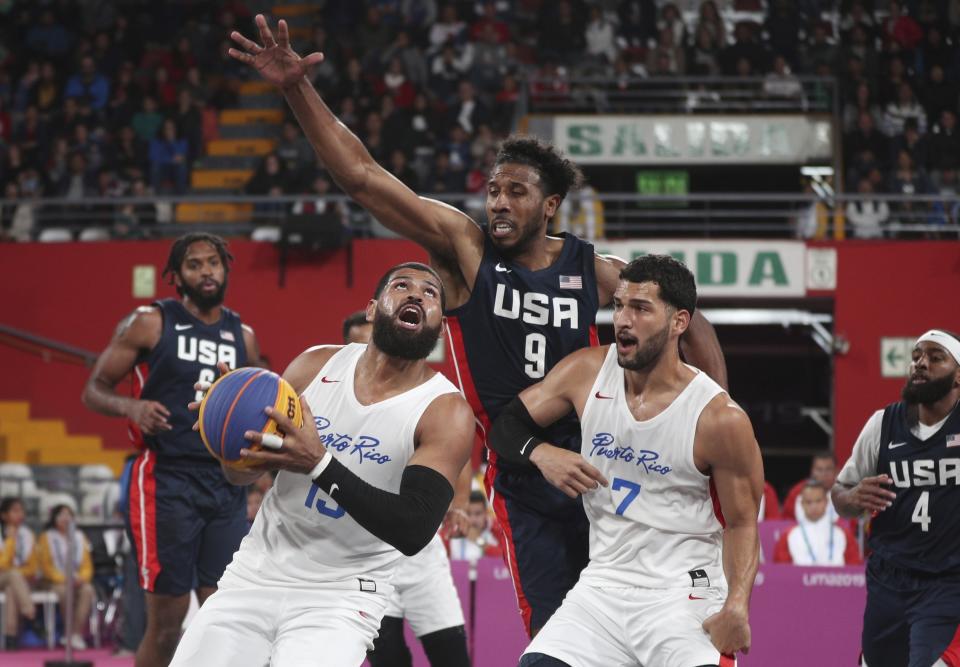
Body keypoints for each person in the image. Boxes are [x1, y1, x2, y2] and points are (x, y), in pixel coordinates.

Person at [229, 15, 727, 636]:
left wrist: (714, 404)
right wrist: (296, 89)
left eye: (516, 192)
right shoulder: (468, 251)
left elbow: (691, 322)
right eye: (493, 189)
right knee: (555, 635)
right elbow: (363, 178)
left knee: (642, 626)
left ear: (549, 205)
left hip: (606, 466)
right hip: (521, 472)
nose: (497, 202)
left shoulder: (593, 267)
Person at [169, 262, 474, 666]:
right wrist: (227, 431)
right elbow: (240, 474)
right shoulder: (315, 365)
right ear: (372, 309)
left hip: (342, 594)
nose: (416, 294)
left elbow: (414, 529)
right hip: (256, 573)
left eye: (430, 293)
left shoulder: (445, 410)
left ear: (440, 327)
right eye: (401, 285)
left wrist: (319, 463)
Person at [489, 255, 762, 666]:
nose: (622, 320)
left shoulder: (718, 418)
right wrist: (541, 453)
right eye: (618, 305)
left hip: (684, 593)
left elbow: (742, 523)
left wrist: (737, 606)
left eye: (641, 308)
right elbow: (505, 427)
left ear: (679, 322)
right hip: (602, 587)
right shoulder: (586, 371)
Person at [82, 232, 262, 667]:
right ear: (176, 275)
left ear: (225, 269)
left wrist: (260, 469)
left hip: (224, 481)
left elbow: (261, 402)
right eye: (195, 264)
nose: (206, 271)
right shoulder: (150, 321)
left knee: (224, 615)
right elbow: (94, 390)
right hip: (164, 479)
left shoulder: (244, 335)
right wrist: (132, 405)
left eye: (213, 263)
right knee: (167, 624)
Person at [341, 309, 471, 667]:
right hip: (363, 555)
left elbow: (457, 456)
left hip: (421, 553)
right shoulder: (334, 403)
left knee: (453, 658)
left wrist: (459, 503)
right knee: (390, 659)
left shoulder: (428, 400)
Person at [832, 329, 960, 667]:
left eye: (935, 357)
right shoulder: (883, 423)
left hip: (946, 581)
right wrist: (853, 496)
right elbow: (839, 494)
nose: (921, 364)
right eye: (917, 356)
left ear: (958, 373)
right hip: (888, 577)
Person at [36, 504, 95, 651]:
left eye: (69, 515)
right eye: (62, 515)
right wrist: (64, 579)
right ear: (54, 518)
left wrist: (82, 578)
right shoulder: (46, 537)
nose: (66, 518)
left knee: (88, 590)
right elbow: (46, 566)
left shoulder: (80, 537)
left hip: (76, 579)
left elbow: (87, 565)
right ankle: (70, 633)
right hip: (54, 580)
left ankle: (74, 634)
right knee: (63, 592)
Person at [773, 480, 861, 566]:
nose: (814, 506)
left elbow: (855, 570)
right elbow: (781, 574)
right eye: (809, 502)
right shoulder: (787, 537)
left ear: (826, 501)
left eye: (818, 501)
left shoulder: (844, 535)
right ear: (802, 503)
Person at [0, 497, 37, 649]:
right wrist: (10, 541)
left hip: (18, 582)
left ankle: (11, 637)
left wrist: (18, 572)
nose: (20, 514)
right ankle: (30, 611)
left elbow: (33, 567)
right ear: (3, 515)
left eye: (22, 510)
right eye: (15, 510)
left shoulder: (28, 534)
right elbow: (2, 565)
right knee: (13, 576)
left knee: (12, 588)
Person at [781, 452, 838, 521]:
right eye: (819, 470)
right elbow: (785, 522)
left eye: (828, 469)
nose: (824, 474)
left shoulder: (844, 492)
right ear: (812, 471)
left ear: (836, 471)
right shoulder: (797, 492)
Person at [448, 490, 502, 561]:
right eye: (468, 514)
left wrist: (478, 540)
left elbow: (507, 558)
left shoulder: (498, 529)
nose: (473, 520)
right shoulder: (452, 531)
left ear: (486, 513)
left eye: (478, 513)